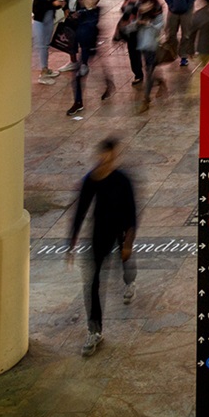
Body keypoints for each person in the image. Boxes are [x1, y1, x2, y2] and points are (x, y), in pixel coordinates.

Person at [68, 138, 139, 357]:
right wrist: (71, 241)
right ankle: (94, 330)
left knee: (125, 258)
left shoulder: (122, 180)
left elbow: (132, 213)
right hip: (99, 234)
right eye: (102, 155)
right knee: (93, 282)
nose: (104, 159)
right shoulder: (92, 179)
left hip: (120, 229)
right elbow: (80, 210)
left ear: (113, 156)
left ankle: (129, 281)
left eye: (108, 155)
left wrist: (128, 242)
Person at [119, 0, 162, 85]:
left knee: (148, 52)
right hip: (133, 29)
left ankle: (151, 73)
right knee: (133, 53)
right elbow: (124, 10)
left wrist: (151, 23)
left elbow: (158, 12)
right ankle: (138, 74)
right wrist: (138, 9)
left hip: (146, 30)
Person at [133, 0, 167, 113]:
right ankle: (160, 81)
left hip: (153, 48)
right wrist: (137, 23)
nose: (144, 7)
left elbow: (159, 29)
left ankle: (146, 100)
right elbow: (132, 27)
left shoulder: (157, 15)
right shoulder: (141, 15)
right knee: (149, 71)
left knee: (149, 73)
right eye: (143, 5)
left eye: (147, 4)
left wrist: (148, 24)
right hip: (143, 48)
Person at [32, 0, 64, 85]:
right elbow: (37, 8)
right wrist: (53, 4)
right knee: (41, 45)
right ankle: (43, 72)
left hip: (49, 18)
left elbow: (56, 6)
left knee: (46, 45)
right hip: (40, 20)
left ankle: (45, 68)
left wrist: (59, 4)